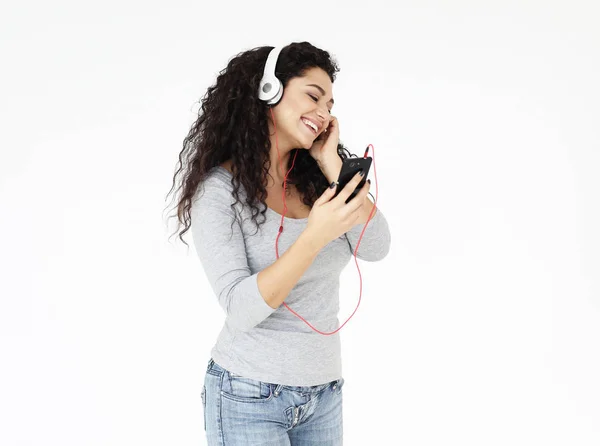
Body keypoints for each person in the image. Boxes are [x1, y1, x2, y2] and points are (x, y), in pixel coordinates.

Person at [167, 42, 391, 445]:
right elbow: (240, 308)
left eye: (330, 104)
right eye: (312, 95)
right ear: (269, 91)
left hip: (324, 393)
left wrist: (333, 167)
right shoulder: (219, 193)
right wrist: (314, 236)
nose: (324, 113)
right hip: (247, 394)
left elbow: (376, 246)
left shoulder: (318, 181)